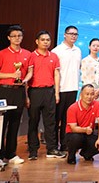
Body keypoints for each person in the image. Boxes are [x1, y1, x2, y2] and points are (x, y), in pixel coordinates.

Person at [0, 24, 32, 164]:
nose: (17, 38)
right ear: (9, 38)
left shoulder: (27, 54)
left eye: (19, 36)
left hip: (19, 91)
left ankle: (11, 154)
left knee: (15, 123)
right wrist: (11, 75)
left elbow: (30, 72)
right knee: (2, 123)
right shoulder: (1, 53)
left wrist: (25, 85)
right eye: (14, 36)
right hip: (5, 90)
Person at [27, 30, 66, 160]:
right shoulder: (31, 56)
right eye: (43, 40)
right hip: (34, 92)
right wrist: (26, 95)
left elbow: (56, 74)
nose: (45, 42)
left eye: (48, 40)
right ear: (37, 41)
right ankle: (33, 150)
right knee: (33, 122)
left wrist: (56, 93)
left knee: (50, 123)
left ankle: (52, 149)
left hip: (49, 91)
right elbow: (28, 75)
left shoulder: (54, 56)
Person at [53, 25, 82, 152]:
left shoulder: (78, 50)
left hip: (73, 88)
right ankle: (53, 146)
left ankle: (65, 144)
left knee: (68, 119)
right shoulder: (57, 51)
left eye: (75, 34)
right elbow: (54, 72)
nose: (73, 36)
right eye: (71, 34)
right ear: (65, 35)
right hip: (60, 89)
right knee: (56, 119)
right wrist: (56, 91)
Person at [64, 84, 99, 164]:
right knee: (76, 138)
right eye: (87, 94)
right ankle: (71, 156)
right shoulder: (72, 108)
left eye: (92, 94)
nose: (89, 97)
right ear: (81, 95)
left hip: (89, 133)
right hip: (74, 133)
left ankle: (86, 154)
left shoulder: (97, 104)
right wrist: (85, 130)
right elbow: (73, 128)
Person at [81, 38, 99, 106]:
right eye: (93, 45)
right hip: (87, 91)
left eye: (98, 46)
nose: (95, 47)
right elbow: (83, 77)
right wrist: (91, 92)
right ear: (89, 47)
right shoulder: (84, 61)